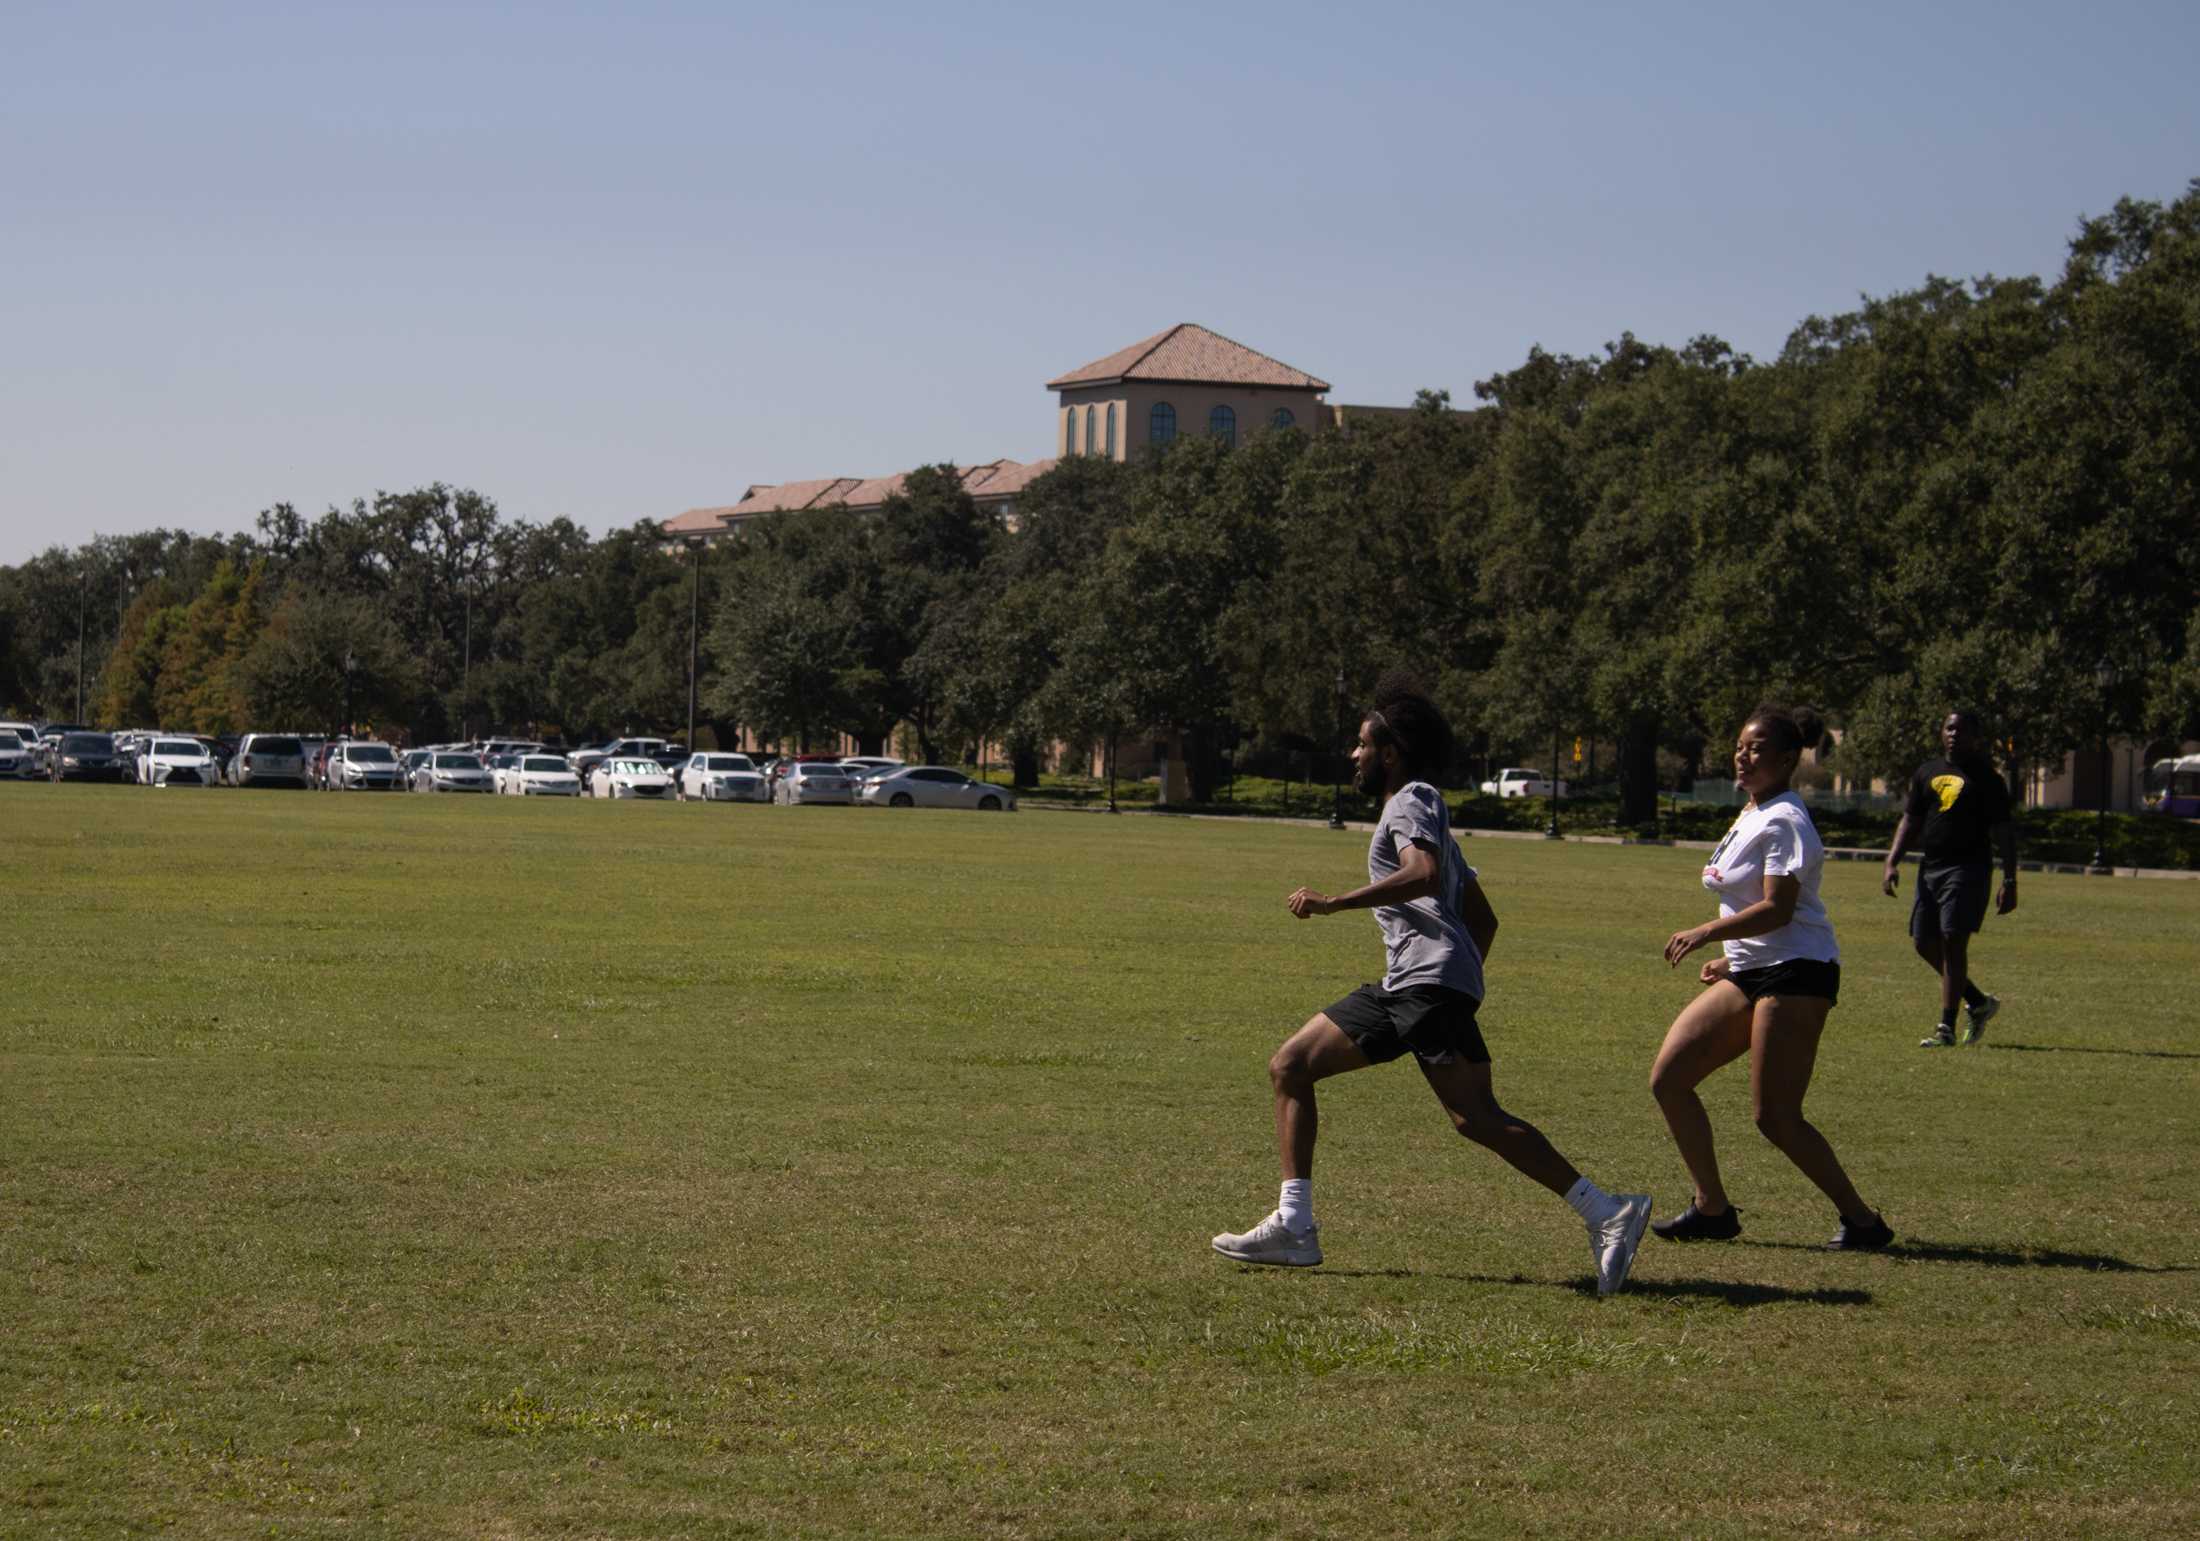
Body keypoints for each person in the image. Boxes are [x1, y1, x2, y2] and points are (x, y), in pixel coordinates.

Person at [1211, 675, 1653, 1296]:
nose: (1354, 756)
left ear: (1389, 752)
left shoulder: (1410, 800)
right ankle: (1294, 1224)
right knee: (1291, 1065)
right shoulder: (1428, 813)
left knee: (1476, 1117)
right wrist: (1460, 979)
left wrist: (1336, 903)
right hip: (1416, 986)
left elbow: (1420, 875)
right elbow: (1482, 917)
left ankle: (1608, 1212)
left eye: (1362, 745)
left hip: (1423, 985)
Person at [1648, 705, 1893, 1251]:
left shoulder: (1785, 818)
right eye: (1740, 745)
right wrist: (1734, 959)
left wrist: (1708, 933)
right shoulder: (1752, 812)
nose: (1743, 754)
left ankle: (1862, 1222)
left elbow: (1779, 909)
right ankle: (1711, 1209)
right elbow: (1753, 904)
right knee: (1669, 1079)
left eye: (1756, 748)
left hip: (1799, 972)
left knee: (1776, 1117)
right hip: (1754, 970)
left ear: (1786, 760)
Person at [1881, 710, 2018, 1048]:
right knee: (1923, 943)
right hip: (1931, 868)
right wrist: (1892, 860)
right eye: (1950, 728)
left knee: (1953, 939)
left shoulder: (1988, 779)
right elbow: (1910, 819)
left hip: (1968, 869)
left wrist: (2010, 878)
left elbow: (2003, 831)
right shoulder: (1927, 772)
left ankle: (1946, 1028)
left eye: (1963, 729)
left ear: (1976, 736)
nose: (1955, 734)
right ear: (1941, 733)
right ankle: (1978, 1001)